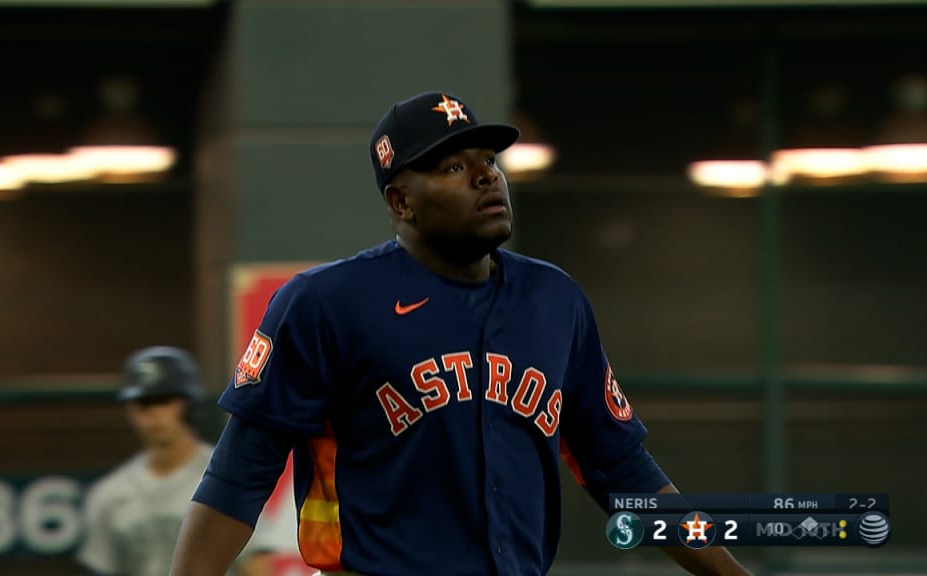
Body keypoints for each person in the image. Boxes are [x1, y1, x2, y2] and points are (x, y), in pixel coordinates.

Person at [169, 91, 752, 576]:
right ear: (402, 201)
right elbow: (238, 477)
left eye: (489, 161)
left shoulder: (554, 300)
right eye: (453, 167)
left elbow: (621, 469)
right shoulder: (326, 303)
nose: (485, 177)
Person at [77, 346, 292, 576]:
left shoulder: (227, 477)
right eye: (144, 403)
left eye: (164, 400)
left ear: (188, 403)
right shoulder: (109, 495)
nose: (155, 413)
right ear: (130, 410)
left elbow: (256, 568)